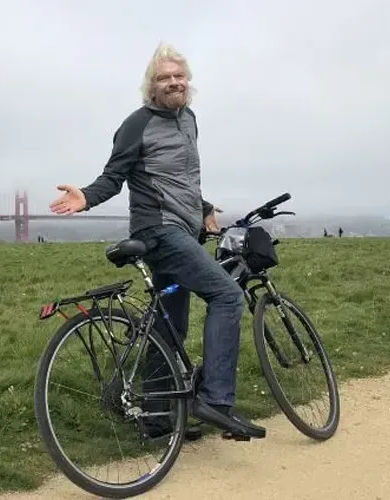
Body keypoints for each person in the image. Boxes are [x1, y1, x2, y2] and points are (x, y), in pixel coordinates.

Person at [49, 42, 266, 440]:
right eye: (164, 78)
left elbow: (182, 176)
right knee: (227, 296)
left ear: (188, 82)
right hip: (158, 231)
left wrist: (203, 207)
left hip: (184, 231)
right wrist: (85, 195)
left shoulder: (190, 120)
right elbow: (114, 177)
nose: (173, 82)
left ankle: (156, 420)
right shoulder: (137, 123)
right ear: (152, 86)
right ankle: (217, 403)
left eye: (179, 76)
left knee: (170, 328)